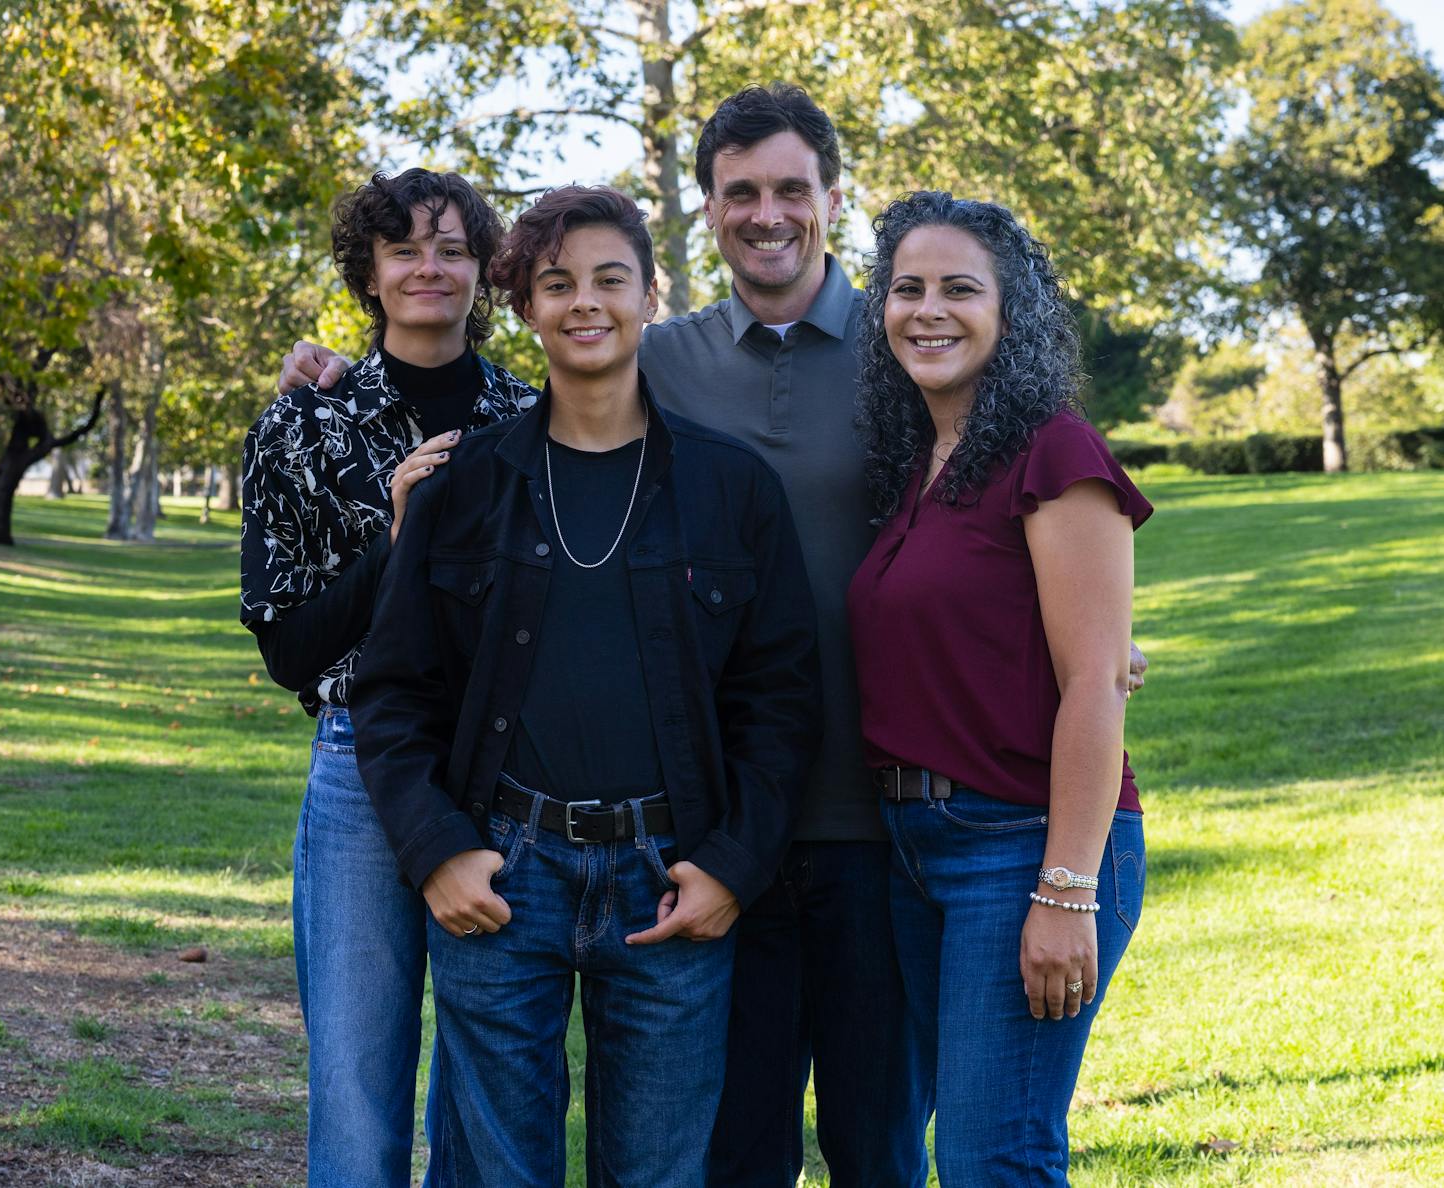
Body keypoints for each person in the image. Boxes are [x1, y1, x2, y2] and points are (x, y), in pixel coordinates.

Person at [279, 83, 1145, 1187]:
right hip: (682, 835)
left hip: (870, 833)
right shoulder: (619, 388)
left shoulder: (900, 368)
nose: (768, 211)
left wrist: (1101, 650)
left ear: (832, 199)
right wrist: (339, 373)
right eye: (741, 192)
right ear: (705, 217)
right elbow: (414, 647)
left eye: (793, 188)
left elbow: (1028, 558)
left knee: (902, 1141)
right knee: (721, 1150)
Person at [349, 185, 821, 1188]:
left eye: (611, 279)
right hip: (503, 874)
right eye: (557, 284)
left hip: (671, 878)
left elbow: (782, 701)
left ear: (652, 294)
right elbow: (391, 694)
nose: (585, 304)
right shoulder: (463, 486)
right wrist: (437, 852)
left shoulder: (731, 488)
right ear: (525, 306)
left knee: (656, 1175)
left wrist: (733, 864)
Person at [846, 191, 1153, 1185]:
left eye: (959, 290)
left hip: (1023, 846)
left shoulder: (1053, 452)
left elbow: (1098, 682)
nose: (928, 310)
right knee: (957, 1144)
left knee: (994, 1157)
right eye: (906, 289)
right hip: (911, 854)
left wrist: (1065, 891)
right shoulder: (915, 467)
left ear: (1010, 314)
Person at [239, 167, 537, 1187]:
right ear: (368, 271)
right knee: (361, 1094)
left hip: (505, 777)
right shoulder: (301, 425)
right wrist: (402, 540)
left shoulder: (534, 419)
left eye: (453, 249)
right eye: (406, 248)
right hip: (360, 770)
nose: (430, 268)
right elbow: (288, 650)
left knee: (489, 1091)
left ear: (482, 272)